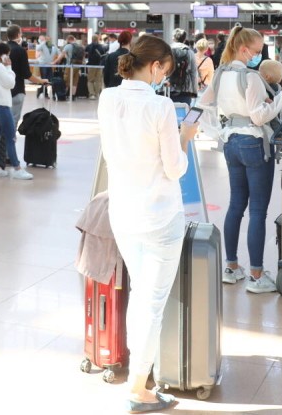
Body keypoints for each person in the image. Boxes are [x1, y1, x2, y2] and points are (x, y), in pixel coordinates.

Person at [98, 35, 199, 412]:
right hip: (159, 217)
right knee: (151, 302)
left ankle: (140, 374)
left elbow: (110, 153)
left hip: (122, 212)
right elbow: (175, 169)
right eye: (165, 71)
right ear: (155, 66)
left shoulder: (108, 98)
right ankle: (139, 388)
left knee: (140, 293)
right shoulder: (160, 106)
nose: (164, 79)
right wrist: (185, 137)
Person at [197, 25, 282, 295]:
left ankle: (231, 268)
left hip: (230, 143)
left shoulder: (220, 74)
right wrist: (281, 98)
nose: (258, 55)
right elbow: (258, 116)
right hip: (254, 143)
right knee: (257, 211)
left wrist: (219, 129)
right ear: (243, 49)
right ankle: (255, 275)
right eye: (256, 51)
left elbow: (202, 104)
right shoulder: (250, 77)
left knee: (236, 205)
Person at [0, 42, 31, 180]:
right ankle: (16, 168)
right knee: (11, 137)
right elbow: (10, 83)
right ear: (3, 55)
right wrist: (9, 67)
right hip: (1, 106)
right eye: (8, 55)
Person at [6, 25, 46, 127]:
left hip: (3, 91)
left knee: (3, 121)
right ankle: (9, 142)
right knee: (13, 121)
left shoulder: (2, 49)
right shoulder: (20, 51)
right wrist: (41, 81)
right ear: (18, 35)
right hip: (16, 90)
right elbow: (27, 74)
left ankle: (1, 142)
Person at [167, 28, 200, 105]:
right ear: (184, 39)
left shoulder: (167, 50)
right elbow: (193, 73)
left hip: (168, 89)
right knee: (184, 114)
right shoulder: (190, 52)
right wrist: (194, 92)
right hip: (185, 89)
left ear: (173, 38)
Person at [85, 32, 107, 100]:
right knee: (98, 80)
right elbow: (103, 55)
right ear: (97, 39)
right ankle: (97, 93)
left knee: (90, 80)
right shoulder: (101, 46)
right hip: (99, 65)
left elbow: (86, 55)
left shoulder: (88, 46)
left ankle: (92, 94)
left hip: (91, 65)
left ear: (91, 39)